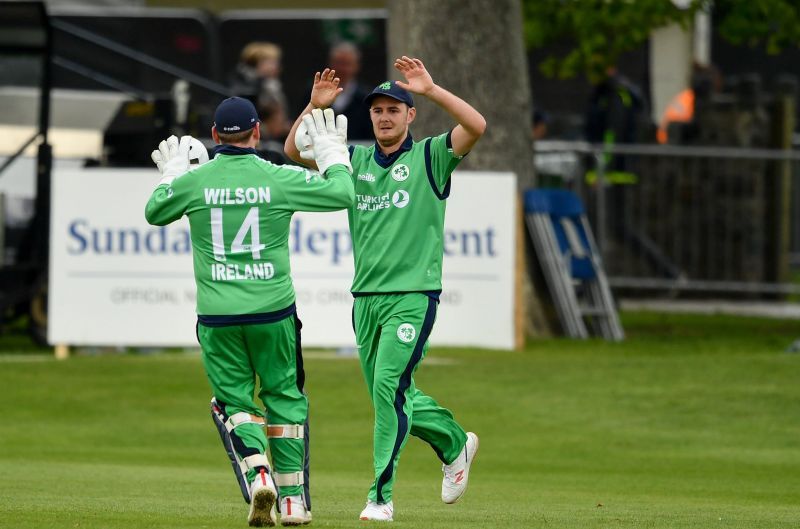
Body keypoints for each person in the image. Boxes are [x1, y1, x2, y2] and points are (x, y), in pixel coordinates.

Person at [284, 56, 486, 522]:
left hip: (414, 296)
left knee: (389, 389)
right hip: (366, 299)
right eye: (377, 110)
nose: (384, 116)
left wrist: (431, 89)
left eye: (394, 109)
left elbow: (476, 125)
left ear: (409, 115)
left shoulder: (430, 157)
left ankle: (380, 497)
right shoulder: (351, 161)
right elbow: (294, 150)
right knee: (390, 394)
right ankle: (455, 443)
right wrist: (313, 107)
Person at [145, 97, 354, 527]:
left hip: (218, 315)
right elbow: (343, 193)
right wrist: (332, 153)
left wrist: (172, 174)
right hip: (273, 311)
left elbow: (155, 211)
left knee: (234, 402)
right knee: (285, 398)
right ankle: (294, 500)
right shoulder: (277, 177)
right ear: (257, 133)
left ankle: (259, 469)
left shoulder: (196, 181)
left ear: (215, 136)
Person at [231, 42, 292, 142]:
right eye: (271, 62)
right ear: (256, 63)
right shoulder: (248, 87)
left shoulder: (272, 84)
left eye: (276, 62)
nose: (276, 66)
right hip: (261, 142)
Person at [326, 42, 373, 140]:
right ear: (330, 63)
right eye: (338, 63)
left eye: (347, 64)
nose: (342, 69)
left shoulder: (367, 98)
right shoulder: (313, 94)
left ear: (356, 66)